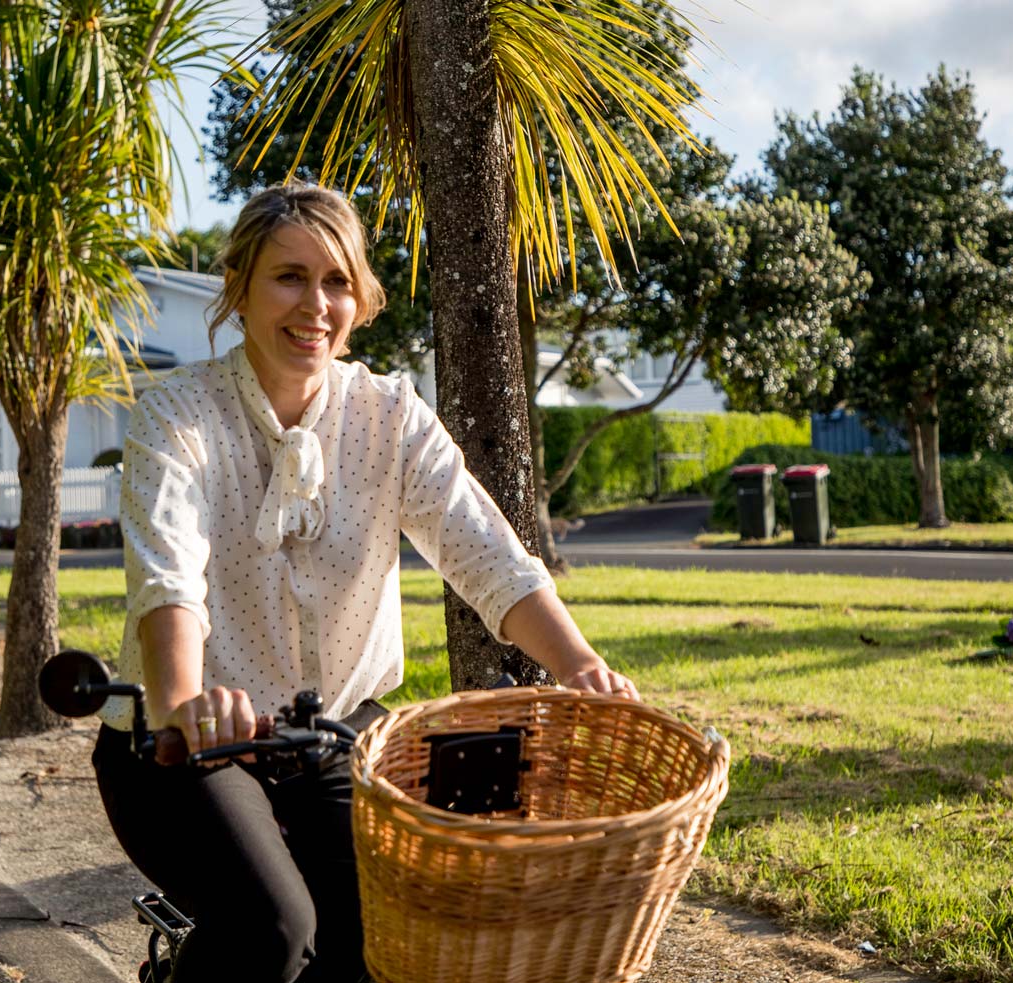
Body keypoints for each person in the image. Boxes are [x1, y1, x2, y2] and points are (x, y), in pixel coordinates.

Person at [92, 183, 637, 983]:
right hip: (184, 748)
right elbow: (167, 574)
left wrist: (578, 664)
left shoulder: (391, 416)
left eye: (337, 281)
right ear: (239, 287)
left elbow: (485, 553)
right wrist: (183, 700)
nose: (315, 303)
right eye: (288, 276)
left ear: (361, 301)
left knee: (381, 947)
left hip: (331, 737)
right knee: (272, 926)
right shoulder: (179, 414)